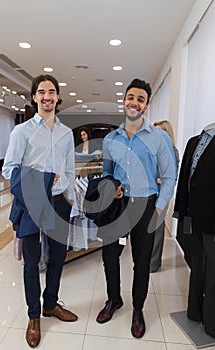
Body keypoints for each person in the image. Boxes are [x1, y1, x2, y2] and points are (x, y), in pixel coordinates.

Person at [96, 78, 177, 338]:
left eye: (140, 99)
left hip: (146, 207)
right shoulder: (111, 139)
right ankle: (113, 300)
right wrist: (112, 188)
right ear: (124, 101)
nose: (134, 102)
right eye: (131, 97)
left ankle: (138, 309)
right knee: (110, 257)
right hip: (118, 207)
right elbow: (106, 173)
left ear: (146, 105)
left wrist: (159, 208)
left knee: (141, 263)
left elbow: (170, 176)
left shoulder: (159, 138)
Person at [2, 74, 78, 348]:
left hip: (58, 204)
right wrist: (40, 179)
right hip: (32, 203)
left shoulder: (66, 134)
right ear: (34, 97)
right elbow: (9, 170)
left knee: (58, 259)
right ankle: (34, 316)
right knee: (32, 263)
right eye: (42, 91)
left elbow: (69, 171)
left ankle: (50, 305)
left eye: (52, 91)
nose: (48, 96)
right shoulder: (21, 132)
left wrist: (65, 191)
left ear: (58, 97)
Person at [173, 123, 215, 338]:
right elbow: (185, 179)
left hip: (212, 217)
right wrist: (180, 209)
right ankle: (194, 311)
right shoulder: (193, 141)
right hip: (192, 213)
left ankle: (211, 323)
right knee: (197, 264)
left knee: (213, 271)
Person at [150, 120, 180, 272]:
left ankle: (153, 264)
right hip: (150, 192)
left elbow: (171, 176)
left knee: (157, 226)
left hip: (162, 192)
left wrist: (158, 179)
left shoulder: (172, 151)